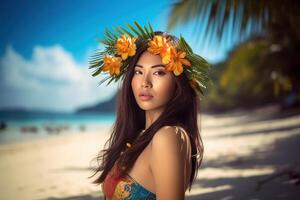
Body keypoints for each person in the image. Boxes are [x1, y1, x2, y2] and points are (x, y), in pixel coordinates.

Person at [88, 21, 211, 200]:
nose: (145, 82)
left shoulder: (167, 136)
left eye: (158, 72)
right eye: (138, 72)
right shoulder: (143, 136)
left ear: (178, 84)